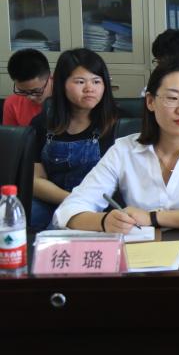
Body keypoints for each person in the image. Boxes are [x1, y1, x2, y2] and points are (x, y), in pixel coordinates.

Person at [54, 57, 179, 232]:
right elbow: (68, 211)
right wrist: (104, 221)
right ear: (151, 101)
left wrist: (152, 218)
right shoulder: (124, 149)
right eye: (172, 98)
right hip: (139, 253)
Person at [29, 49, 120, 230]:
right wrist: (72, 201)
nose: (89, 88)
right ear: (61, 84)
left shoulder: (119, 124)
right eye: (80, 82)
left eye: (96, 81)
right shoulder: (43, 123)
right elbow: (35, 180)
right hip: (52, 200)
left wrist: (82, 204)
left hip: (99, 206)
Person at [3, 48, 52, 126]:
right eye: (22, 91)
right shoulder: (12, 104)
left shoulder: (67, 96)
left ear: (50, 77)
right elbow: (10, 133)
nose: (30, 97)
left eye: (36, 91)